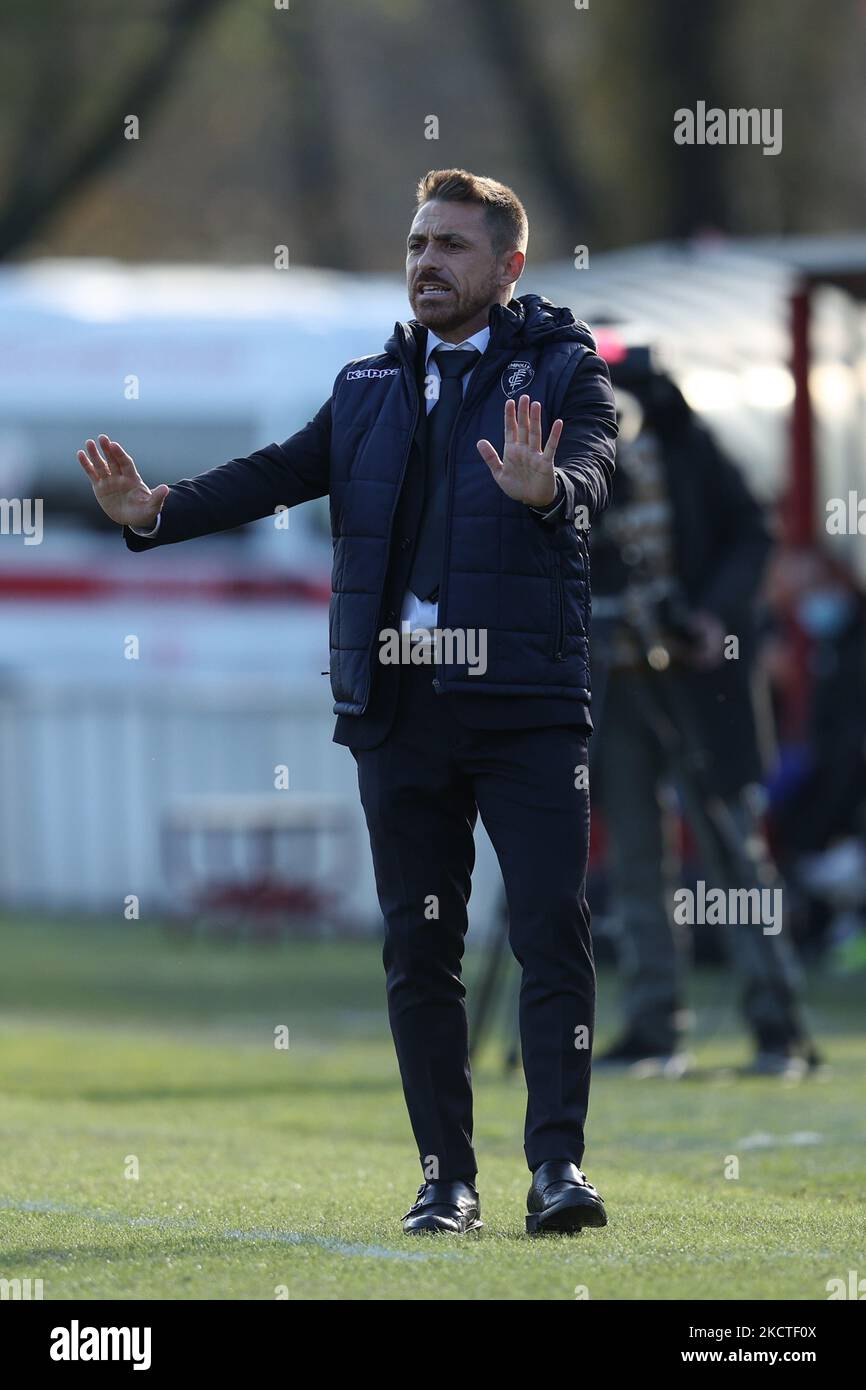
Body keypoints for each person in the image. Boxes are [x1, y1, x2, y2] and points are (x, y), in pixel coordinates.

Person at [77, 169, 618, 1236]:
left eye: (452, 247)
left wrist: (547, 490)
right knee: (418, 947)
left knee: (551, 928)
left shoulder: (564, 371)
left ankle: (557, 1170)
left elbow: (594, 472)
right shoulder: (369, 381)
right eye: (417, 243)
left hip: (524, 703)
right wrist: (154, 512)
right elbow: (275, 473)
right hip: (399, 710)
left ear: (506, 267)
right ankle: (444, 1180)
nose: (426, 263)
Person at [589, 344, 814, 1077]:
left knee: (733, 852)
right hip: (614, 677)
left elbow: (755, 532)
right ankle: (656, 1029)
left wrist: (716, 614)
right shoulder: (575, 451)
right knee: (635, 855)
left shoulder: (692, 447)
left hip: (698, 678)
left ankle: (778, 1026)